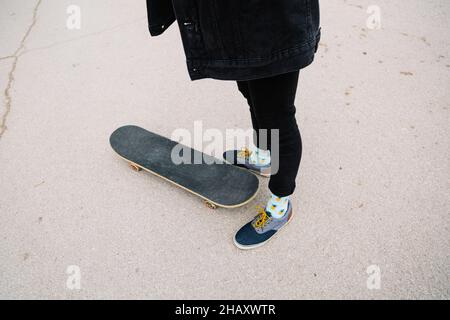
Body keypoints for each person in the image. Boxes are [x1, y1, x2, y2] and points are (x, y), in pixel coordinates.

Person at [146, 0, 321, 249]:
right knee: (253, 95)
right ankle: (263, 156)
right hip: (239, 25)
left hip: (279, 23)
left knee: (278, 115)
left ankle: (280, 205)